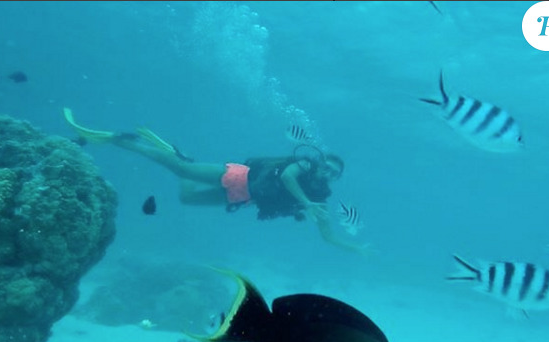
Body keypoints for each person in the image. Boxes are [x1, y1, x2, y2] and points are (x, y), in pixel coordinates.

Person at [63, 108, 369, 254]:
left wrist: (355, 248)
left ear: (336, 178)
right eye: (326, 167)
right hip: (238, 175)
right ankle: (121, 140)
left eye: (333, 173)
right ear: (319, 163)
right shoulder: (302, 164)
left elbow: (327, 234)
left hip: (242, 198)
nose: (327, 174)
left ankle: (180, 155)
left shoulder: (320, 199)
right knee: (180, 172)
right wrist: (306, 204)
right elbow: (288, 177)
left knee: (187, 198)